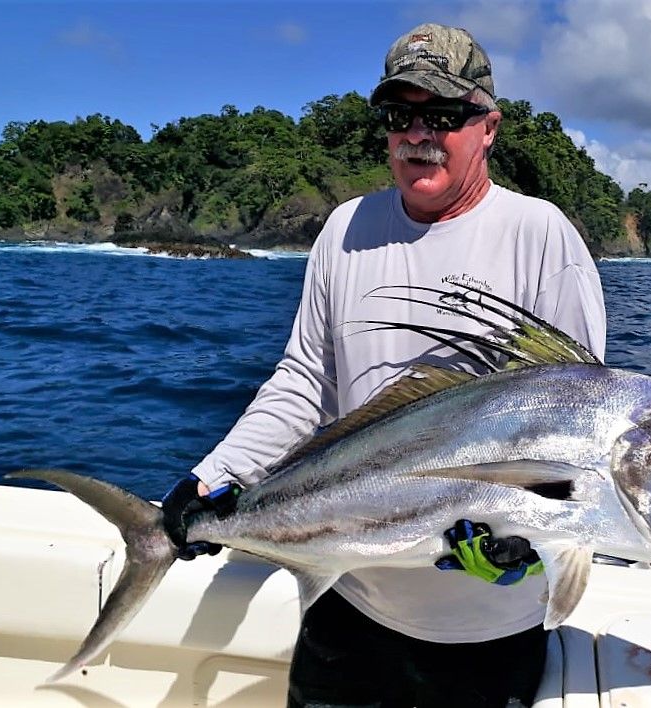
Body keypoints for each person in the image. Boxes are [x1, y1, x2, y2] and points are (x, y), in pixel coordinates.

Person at [162, 22, 607, 708]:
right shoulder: (346, 228)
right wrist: (215, 475)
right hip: (348, 594)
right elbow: (307, 381)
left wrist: (529, 548)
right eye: (400, 116)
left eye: (443, 115)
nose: (417, 134)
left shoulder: (540, 235)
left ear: (488, 126)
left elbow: (576, 430)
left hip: (486, 627)